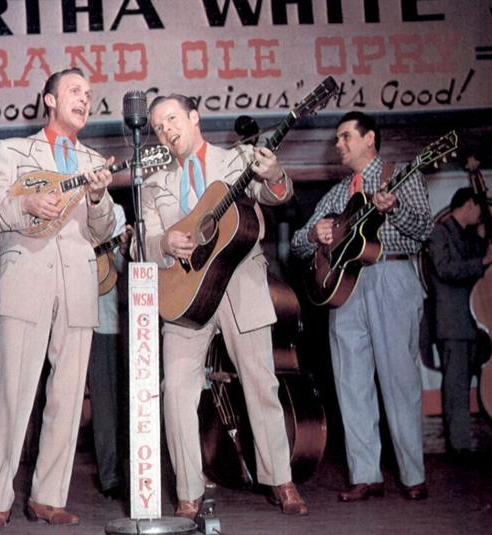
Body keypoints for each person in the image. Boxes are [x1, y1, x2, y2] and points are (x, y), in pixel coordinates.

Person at [138, 93, 307, 520]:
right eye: (158, 126)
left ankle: (280, 479)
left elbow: (276, 195)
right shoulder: (154, 184)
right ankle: (188, 492)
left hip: (241, 283)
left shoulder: (238, 160)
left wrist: (275, 174)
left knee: (261, 383)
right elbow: (145, 245)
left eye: (171, 119)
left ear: (194, 117)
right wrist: (163, 244)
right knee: (176, 390)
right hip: (185, 295)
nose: (166, 130)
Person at [0, 67, 115, 530]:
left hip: (78, 286)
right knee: (13, 394)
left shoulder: (94, 161)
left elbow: (103, 230)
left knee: (68, 398)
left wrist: (99, 199)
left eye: (89, 94)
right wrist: (24, 206)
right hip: (25, 280)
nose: (84, 99)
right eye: (74, 91)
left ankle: (48, 498)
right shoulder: (12, 151)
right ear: (49, 100)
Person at [290, 111, 433, 501]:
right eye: (337, 138)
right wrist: (315, 234)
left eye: (345, 136)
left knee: (399, 380)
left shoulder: (401, 175)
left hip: (391, 276)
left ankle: (413, 475)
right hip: (345, 288)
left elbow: (425, 229)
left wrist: (395, 209)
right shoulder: (339, 193)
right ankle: (365, 474)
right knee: (350, 382)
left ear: (369, 139)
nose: (338, 144)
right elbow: (299, 243)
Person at [426, 187, 492, 458]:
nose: (480, 215)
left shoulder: (469, 236)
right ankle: (459, 447)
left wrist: (482, 244)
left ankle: (465, 442)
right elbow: (445, 269)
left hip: (476, 322)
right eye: (479, 209)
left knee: (467, 382)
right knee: (456, 385)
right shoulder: (439, 233)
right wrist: (483, 259)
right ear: (468, 204)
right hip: (454, 323)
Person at [88, 203, 130, 500]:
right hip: (81, 318)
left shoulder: (117, 213)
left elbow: (122, 267)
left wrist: (122, 251)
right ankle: (109, 475)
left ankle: (125, 474)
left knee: (120, 402)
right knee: (102, 405)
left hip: (112, 319)